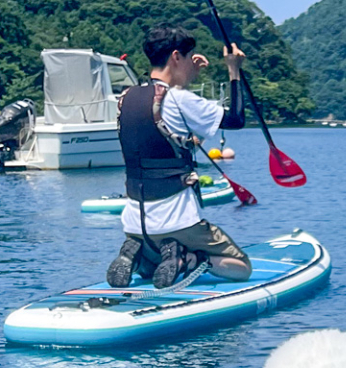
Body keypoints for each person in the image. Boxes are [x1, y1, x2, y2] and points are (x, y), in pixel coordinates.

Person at [107, 25, 251, 289]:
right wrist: (234, 69)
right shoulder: (179, 99)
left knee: (155, 271)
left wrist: (185, 78)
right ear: (176, 57)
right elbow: (236, 119)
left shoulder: (126, 98)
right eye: (188, 57)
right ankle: (188, 259)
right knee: (241, 267)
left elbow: (167, 120)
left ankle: (138, 256)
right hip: (177, 222)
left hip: (134, 224)